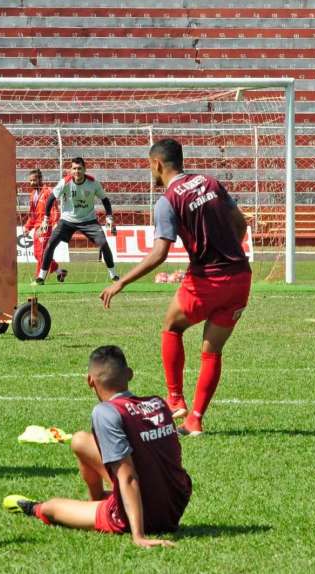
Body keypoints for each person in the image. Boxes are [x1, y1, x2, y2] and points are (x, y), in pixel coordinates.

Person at [100, 138, 250, 436]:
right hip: (239, 277)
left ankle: (175, 399)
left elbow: (159, 253)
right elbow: (240, 224)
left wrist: (122, 282)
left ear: (157, 164)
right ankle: (195, 420)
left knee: (172, 326)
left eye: (149, 166)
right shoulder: (210, 182)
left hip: (206, 280)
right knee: (212, 350)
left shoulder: (167, 201)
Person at [3, 345, 191, 548]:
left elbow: (129, 476)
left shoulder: (105, 412)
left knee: (51, 508)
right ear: (129, 374)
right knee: (79, 440)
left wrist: (139, 535)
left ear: (90, 381)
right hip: (174, 502)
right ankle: (98, 501)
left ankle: (34, 508)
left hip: (148, 516)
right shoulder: (158, 403)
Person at [34, 157, 117, 284]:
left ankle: (114, 275)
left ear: (84, 169)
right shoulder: (65, 182)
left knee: (103, 244)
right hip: (67, 221)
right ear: (71, 170)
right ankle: (41, 277)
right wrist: (46, 219)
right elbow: (51, 198)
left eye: (79, 169)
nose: (76, 171)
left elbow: (105, 200)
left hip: (89, 220)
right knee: (50, 244)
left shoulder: (93, 183)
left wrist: (109, 218)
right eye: (74, 169)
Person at [22, 168, 66, 282]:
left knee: (42, 253)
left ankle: (39, 278)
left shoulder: (47, 192)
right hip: (37, 228)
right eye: (30, 181)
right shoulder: (33, 194)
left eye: (34, 180)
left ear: (40, 179)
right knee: (38, 255)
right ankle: (59, 272)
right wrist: (27, 227)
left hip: (46, 226)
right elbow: (32, 214)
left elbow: (54, 209)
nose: (32, 183)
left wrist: (54, 222)